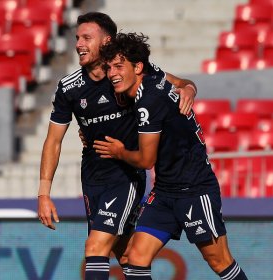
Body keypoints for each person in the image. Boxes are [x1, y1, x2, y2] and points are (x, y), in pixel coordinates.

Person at [37, 12, 197, 279]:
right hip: (92, 176)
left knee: (95, 246)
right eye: (77, 38)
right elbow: (53, 140)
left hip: (125, 176)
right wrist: (43, 194)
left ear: (106, 40)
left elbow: (180, 84)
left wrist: (189, 89)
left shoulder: (128, 73)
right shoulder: (69, 88)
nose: (79, 44)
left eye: (87, 37)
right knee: (124, 255)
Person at [94, 32, 248, 279]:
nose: (112, 73)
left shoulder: (148, 101)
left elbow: (146, 161)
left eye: (119, 67)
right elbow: (183, 82)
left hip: (195, 188)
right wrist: (189, 87)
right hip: (165, 191)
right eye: (109, 67)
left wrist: (119, 152)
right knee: (134, 259)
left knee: (219, 261)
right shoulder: (152, 75)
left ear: (138, 67)